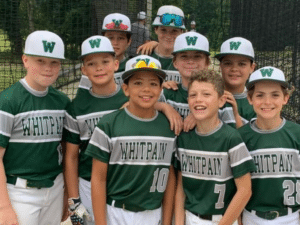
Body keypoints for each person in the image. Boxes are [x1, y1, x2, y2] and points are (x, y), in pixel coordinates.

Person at [85, 55, 177, 225]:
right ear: (125, 89)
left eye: (153, 83)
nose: (146, 89)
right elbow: (98, 178)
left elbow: (170, 177)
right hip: (117, 212)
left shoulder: (168, 127)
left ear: (160, 89)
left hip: (154, 213)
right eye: (138, 83)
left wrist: (166, 221)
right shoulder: (108, 124)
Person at [0, 30, 70, 225]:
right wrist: (3, 207)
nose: (48, 68)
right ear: (25, 60)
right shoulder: (7, 101)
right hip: (19, 192)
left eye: (54, 62)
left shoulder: (62, 101)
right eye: (40, 61)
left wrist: (65, 194)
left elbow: (65, 150)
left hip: (55, 188)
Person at [175, 70, 256, 225]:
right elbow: (181, 188)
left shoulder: (231, 137)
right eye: (193, 95)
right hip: (190, 218)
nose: (198, 100)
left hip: (223, 219)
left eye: (206, 94)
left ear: (221, 100)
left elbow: (245, 190)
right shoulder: (184, 138)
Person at [64, 35, 128, 225]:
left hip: (124, 183)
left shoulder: (130, 98)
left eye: (105, 61)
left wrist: (163, 107)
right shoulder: (76, 107)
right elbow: (71, 156)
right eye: (91, 63)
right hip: (87, 185)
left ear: (116, 64)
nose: (99, 68)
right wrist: (74, 203)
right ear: (83, 70)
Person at [239, 66, 300, 225]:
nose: (267, 102)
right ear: (250, 98)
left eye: (275, 95)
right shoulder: (240, 137)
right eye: (260, 95)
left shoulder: (297, 134)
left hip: (290, 217)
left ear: (285, 98)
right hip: (251, 217)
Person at [161, 31, 210, 131]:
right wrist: (164, 107)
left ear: (207, 62)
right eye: (184, 56)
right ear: (175, 62)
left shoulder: (216, 96)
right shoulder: (167, 93)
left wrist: (204, 114)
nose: (190, 61)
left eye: (197, 56)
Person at [79, 13, 132, 89]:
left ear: (129, 41)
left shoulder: (133, 66)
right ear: (103, 38)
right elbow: (83, 97)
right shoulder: (92, 68)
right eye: (110, 38)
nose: (115, 43)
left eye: (121, 38)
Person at [215, 37, 256, 128]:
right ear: (220, 66)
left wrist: (236, 115)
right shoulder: (209, 95)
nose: (234, 69)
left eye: (241, 64)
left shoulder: (256, 102)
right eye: (228, 63)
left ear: (252, 68)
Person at [138, 5, 185, 83]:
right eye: (163, 30)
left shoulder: (187, 59)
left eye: (174, 31)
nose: (168, 36)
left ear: (181, 32)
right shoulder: (144, 54)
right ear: (156, 30)